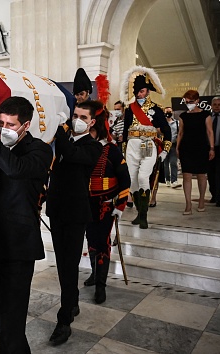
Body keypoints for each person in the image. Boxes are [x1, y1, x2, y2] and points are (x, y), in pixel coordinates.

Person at [0, 96, 53, 353]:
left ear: (25, 125)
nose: (5, 128)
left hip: (18, 244)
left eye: (11, 124)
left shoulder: (38, 149)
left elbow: (14, 169)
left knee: (13, 317)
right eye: (1, 122)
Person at [46, 100, 102, 346]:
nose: (77, 119)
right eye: (75, 115)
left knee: (68, 265)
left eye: (82, 116)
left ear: (91, 122)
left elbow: (70, 156)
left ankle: (64, 320)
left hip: (75, 214)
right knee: (62, 264)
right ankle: (74, 300)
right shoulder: (65, 142)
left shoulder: (92, 147)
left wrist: (59, 129)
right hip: (57, 211)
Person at [84, 103, 130, 304]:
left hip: (105, 205)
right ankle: (94, 274)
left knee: (102, 242)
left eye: (92, 128)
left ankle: (101, 286)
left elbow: (125, 181)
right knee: (91, 240)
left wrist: (119, 206)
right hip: (86, 204)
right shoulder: (81, 148)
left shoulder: (111, 150)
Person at [120, 66, 171, 229]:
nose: (139, 95)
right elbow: (124, 130)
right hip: (131, 146)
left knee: (143, 178)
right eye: (137, 92)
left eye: (142, 91)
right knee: (133, 181)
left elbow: (167, 130)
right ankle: (139, 213)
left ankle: (144, 215)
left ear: (148, 91)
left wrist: (165, 150)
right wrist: (123, 149)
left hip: (148, 145)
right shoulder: (129, 109)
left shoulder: (156, 109)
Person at [177, 90, 214, 214]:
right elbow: (180, 132)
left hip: (201, 147)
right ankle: (188, 204)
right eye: (186, 102)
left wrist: (212, 148)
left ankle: (202, 200)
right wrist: (177, 147)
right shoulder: (183, 116)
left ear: (197, 101)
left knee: (201, 175)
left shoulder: (206, 115)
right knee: (186, 175)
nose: (189, 104)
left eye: (191, 102)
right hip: (186, 147)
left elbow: (210, 132)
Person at [163, 106, 181, 188]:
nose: (168, 113)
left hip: (173, 144)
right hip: (164, 145)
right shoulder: (162, 123)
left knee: (173, 162)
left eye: (169, 112)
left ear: (172, 112)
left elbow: (179, 133)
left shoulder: (177, 123)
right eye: (166, 112)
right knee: (166, 163)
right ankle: (167, 179)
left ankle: (174, 180)